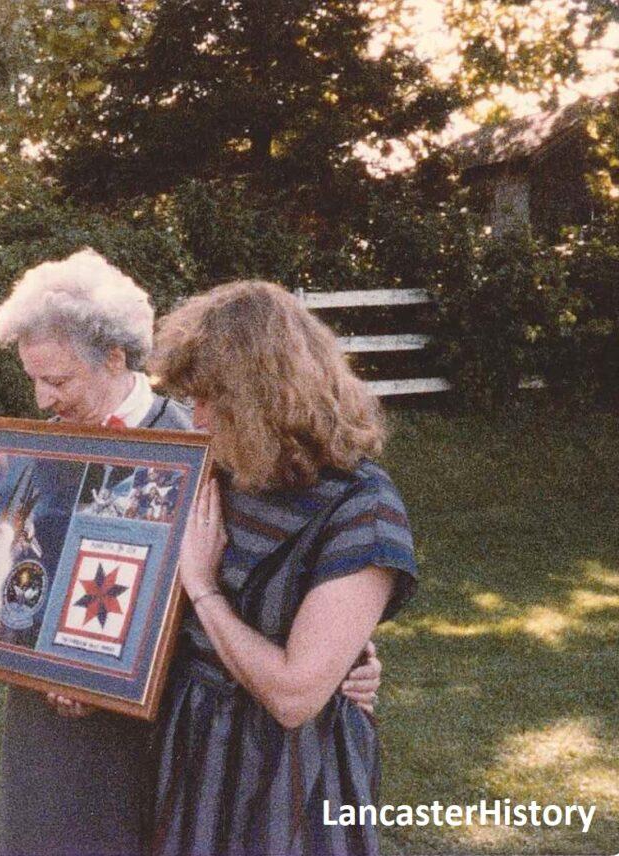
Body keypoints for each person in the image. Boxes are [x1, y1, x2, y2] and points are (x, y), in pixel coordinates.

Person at [0, 249, 380, 856]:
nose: (42, 399)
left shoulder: (209, 445)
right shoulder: (36, 451)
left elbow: (291, 562)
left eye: (57, 380)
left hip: (180, 731)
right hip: (61, 739)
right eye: (33, 379)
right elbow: (22, 579)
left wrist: (352, 653)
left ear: (114, 357)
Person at [148, 280, 419, 856]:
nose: (191, 419)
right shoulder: (217, 471)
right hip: (195, 748)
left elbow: (295, 696)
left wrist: (202, 587)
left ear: (260, 401)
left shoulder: (360, 507)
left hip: (292, 771)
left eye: (206, 401)